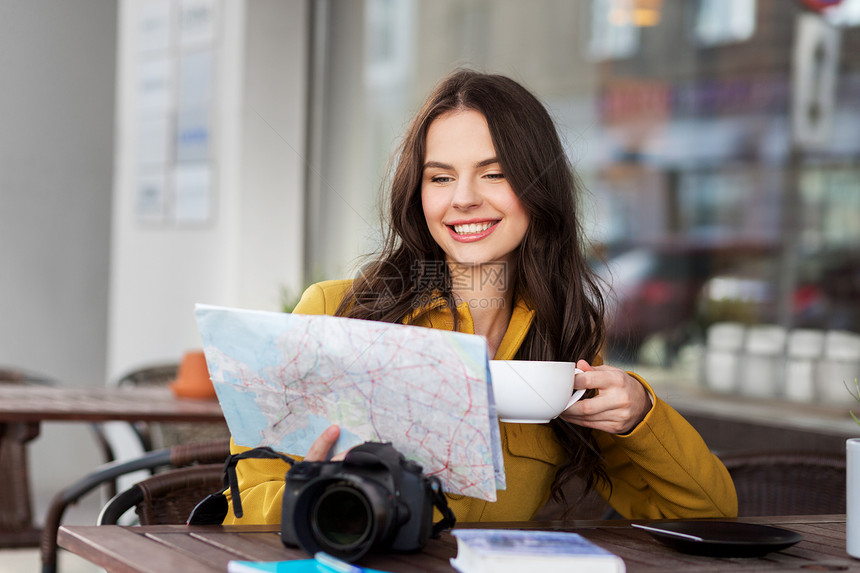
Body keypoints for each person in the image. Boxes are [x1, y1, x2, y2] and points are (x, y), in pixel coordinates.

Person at [223, 69, 737, 524]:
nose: (464, 198)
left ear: (540, 189)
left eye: (494, 173)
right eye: (441, 177)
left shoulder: (562, 346)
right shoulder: (334, 315)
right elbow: (243, 506)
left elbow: (709, 516)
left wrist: (642, 414)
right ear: (418, 195)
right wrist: (321, 496)